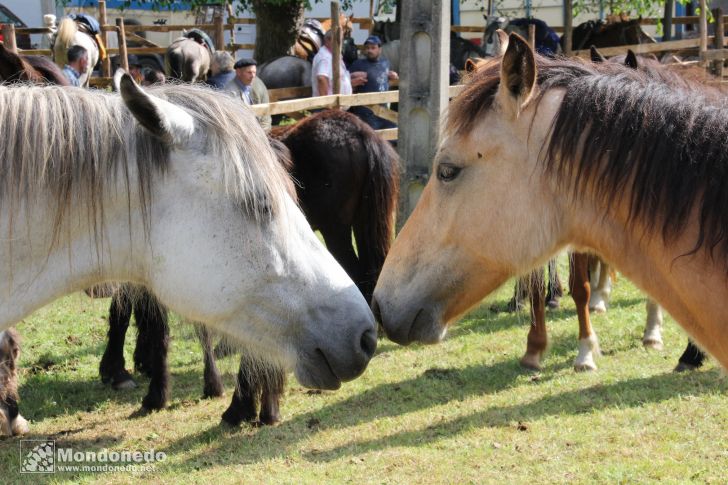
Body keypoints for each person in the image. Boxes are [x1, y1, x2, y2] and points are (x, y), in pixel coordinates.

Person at [348, 35, 399, 130]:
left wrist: (392, 75)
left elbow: (384, 77)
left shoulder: (385, 63)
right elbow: (346, 83)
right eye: (367, 48)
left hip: (384, 111)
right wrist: (353, 78)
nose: (369, 50)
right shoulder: (358, 64)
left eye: (373, 48)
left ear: (380, 49)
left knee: (394, 135)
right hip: (366, 113)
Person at [311, 29, 366, 97]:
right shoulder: (326, 58)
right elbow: (322, 78)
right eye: (338, 40)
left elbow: (334, 78)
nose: (341, 43)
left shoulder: (331, 55)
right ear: (327, 41)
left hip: (336, 105)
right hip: (331, 106)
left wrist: (351, 76)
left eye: (341, 40)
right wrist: (328, 105)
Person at [225, 58, 272, 132]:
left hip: (261, 133)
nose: (253, 76)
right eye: (249, 72)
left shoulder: (259, 84)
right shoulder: (229, 92)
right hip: (242, 135)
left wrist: (262, 134)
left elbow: (266, 116)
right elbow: (232, 122)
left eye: (254, 72)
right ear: (238, 72)